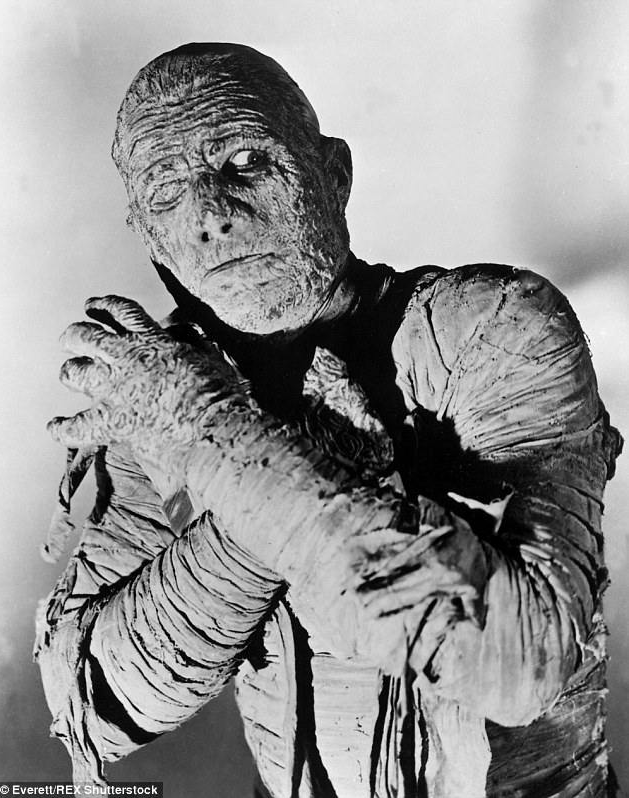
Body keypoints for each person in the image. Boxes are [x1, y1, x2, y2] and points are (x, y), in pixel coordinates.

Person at [36, 43, 622, 797]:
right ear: (148, 238)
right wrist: (239, 459)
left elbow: (521, 665)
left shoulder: (488, 329)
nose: (210, 216)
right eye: (165, 190)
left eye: (246, 160)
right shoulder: (167, 390)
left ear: (334, 174)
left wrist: (219, 443)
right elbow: (94, 707)